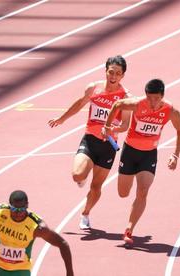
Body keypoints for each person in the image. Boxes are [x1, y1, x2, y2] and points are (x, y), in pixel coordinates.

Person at [48, 55, 132, 230]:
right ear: (106, 71)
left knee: (96, 187)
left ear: (123, 75)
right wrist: (62, 119)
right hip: (90, 140)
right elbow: (79, 104)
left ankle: (85, 213)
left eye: (118, 73)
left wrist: (111, 129)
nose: (113, 76)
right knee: (77, 175)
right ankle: (82, 178)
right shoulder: (94, 88)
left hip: (108, 146)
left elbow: (125, 125)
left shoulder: (125, 97)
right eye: (111, 72)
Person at [102, 79, 180, 245]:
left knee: (143, 191)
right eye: (149, 98)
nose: (153, 102)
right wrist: (107, 126)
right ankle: (129, 186)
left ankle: (129, 229)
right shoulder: (137, 104)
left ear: (162, 96)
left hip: (149, 155)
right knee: (123, 193)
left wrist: (175, 155)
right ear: (145, 95)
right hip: (130, 152)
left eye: (157, 99)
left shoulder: (171, 110)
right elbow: (117, 104)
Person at [0, 190, 74, 276]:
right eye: (15, 209)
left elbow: (63, 244)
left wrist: (70, 272)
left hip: (20, 271)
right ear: (10, 206)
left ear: (27, 206)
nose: (18, 213)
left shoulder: (37, 227)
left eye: (22, 209)